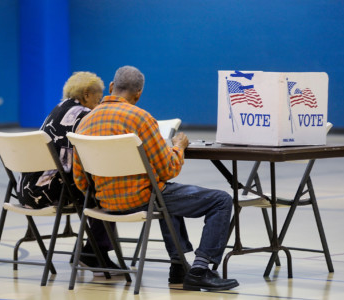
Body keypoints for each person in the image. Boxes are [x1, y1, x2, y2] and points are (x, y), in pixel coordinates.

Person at [72, 66, 239, 291]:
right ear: (139, 94)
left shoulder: (84, 122)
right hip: (142, 200)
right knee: (220, 200)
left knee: (166, 193)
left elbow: (80, 179)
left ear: (112, 87)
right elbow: (168, 169)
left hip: (104, 204)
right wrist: (178, 147)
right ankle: (200, 269)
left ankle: (179, 267)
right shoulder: (141, 118)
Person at [16, 71, 120, 273]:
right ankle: (93, 252)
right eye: (98, 99)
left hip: (27, 190)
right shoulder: (84, 115)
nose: (98, 104)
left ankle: (88, 251)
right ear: (87, 94)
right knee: (105, 191)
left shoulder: (58, 109)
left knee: (93, 186)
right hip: (51, 192)